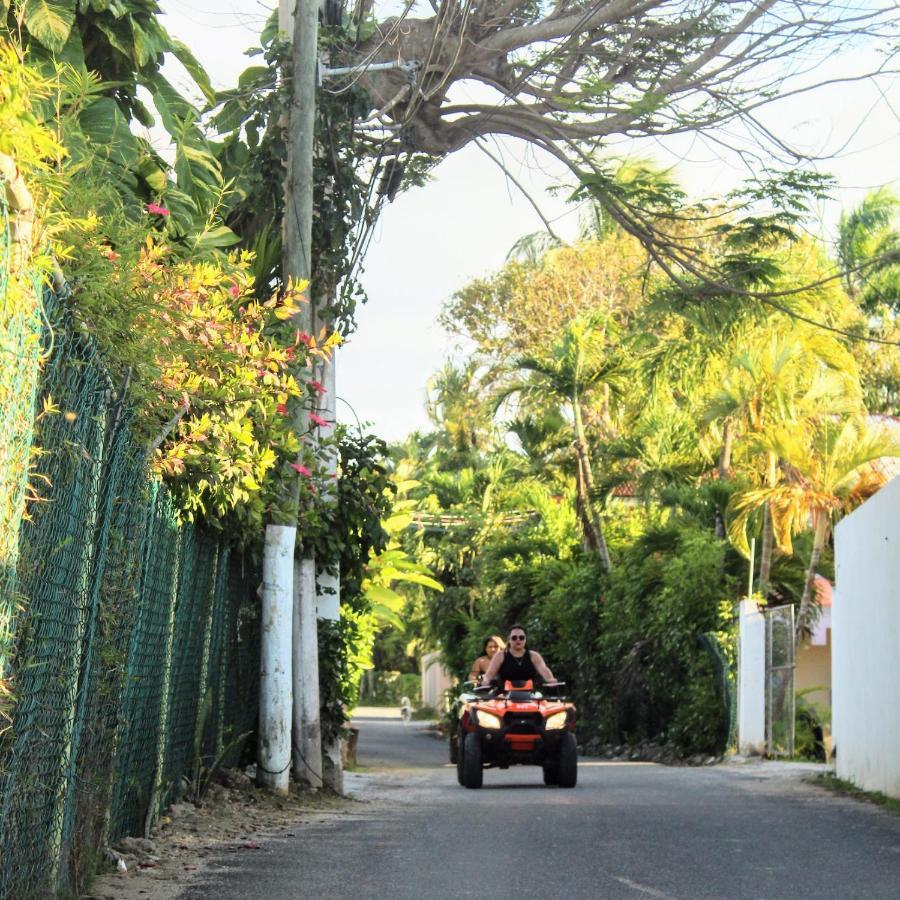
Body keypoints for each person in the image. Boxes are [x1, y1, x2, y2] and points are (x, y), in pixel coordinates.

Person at [481, 624, 555, 687]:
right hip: (504, 697)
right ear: (509, 640)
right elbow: (489, 674)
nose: (518, 640)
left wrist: (551, 680)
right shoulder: (500, 656)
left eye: (521, 637)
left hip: (530, 697)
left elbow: (544, 669)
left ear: (525, 640)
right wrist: (485, 681)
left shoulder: (534, 656)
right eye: (514, 638)